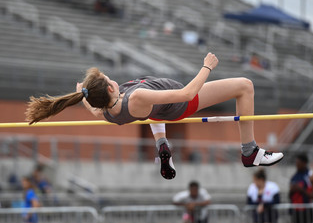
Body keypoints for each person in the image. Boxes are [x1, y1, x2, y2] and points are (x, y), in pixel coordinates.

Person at [25, 53, 284, 180]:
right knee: (245, 85)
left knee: (151, 110)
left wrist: (82, 97)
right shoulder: (135, 97)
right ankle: (249, 151)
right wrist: (207, 66)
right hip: (182, 105)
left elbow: (94, 108)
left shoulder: (108, 113)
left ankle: (163, 146)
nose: (110, 77)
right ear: (111, 88)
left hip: (157, 109)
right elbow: (185, 94)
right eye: (107, 78)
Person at [289, 153, 313, 223]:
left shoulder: (311, 176)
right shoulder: (294, 177)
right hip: (296, 211)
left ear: (304, 163)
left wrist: (302, 190)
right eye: (296, 163)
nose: (296, 165)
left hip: (306, 211)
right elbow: (290, 195)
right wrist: (292, 190)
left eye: (298, 163)